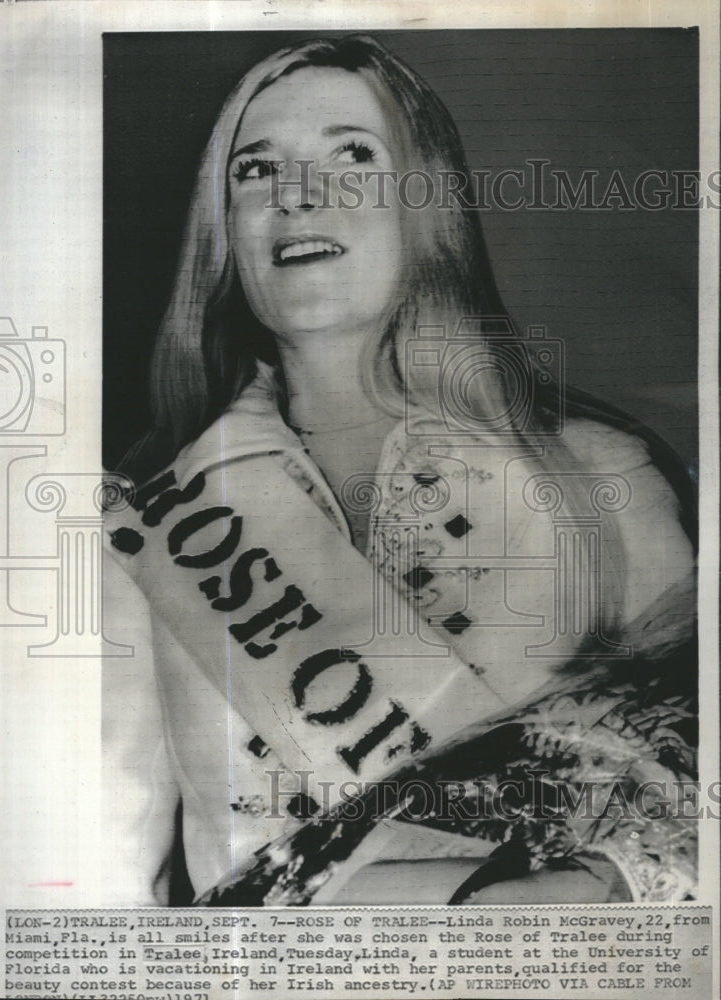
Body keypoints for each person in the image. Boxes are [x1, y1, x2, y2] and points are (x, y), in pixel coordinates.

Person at [102, 35, 697, 907]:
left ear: (430, 204)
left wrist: (588, 889)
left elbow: (693, 792)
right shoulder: (148, 517)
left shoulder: (600, 476)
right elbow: (99, 873)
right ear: (220, 232)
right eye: (254, 169)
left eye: (353, 154)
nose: (298, 195)